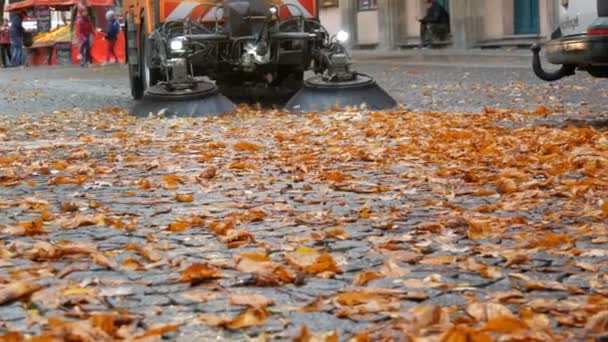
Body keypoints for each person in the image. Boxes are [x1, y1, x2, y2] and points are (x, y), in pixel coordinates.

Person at [71, 0, 96, 66]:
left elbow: (93, 16)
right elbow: (73, 17)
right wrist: (72, 29)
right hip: (80, 29)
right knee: (82, 45)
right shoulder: (76, 6)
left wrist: (94, 28)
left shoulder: (88, 6)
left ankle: (88, 60)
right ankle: (83, 61)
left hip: (88, 28)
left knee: (89, 46)